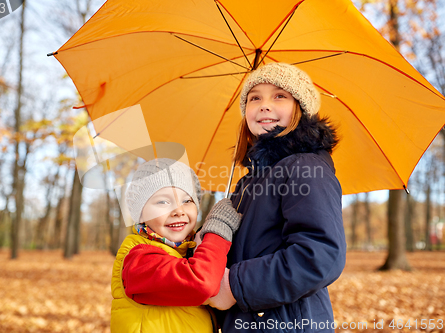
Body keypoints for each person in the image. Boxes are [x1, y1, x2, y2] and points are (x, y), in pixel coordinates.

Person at [207, 63, 347, 333]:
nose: (264, 105)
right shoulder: (250, 180)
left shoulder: (305, 167)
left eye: (279, 96)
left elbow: (318, 255)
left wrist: (235, 286)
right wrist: (209, 238)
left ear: (300, 108)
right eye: (254, 97)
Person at [110, 158, 241, 333]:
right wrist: (217, 230)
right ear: (140, 213)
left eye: (187, 201)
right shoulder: (138, 259)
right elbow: (201, 283)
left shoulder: (188, 252)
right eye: (163, 202)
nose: (178, 210)